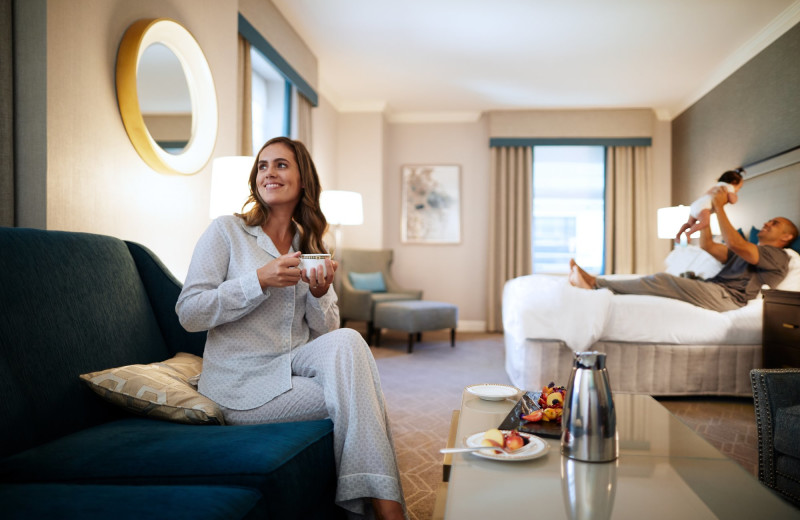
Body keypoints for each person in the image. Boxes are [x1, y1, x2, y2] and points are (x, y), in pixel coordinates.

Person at [176, 137, 406, 520]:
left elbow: (327, 334)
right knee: (360, 395)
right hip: (241, 384)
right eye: (263, 166)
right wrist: (258, 280)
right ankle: (387, 511)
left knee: (350, 343)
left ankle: (377, 510)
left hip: (293, 365)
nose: (269, 173)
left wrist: (319, 292)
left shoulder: (309, 243)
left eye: (281, 165)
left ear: (303, 180)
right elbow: (189, 313)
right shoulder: (226, 232)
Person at [569, 185, 798, 312]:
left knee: (664, 279)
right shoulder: (746, 252)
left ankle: (596, 283)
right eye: (768, 221)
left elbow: (735, 242)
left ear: (786, 236)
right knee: (667, 280)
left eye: (775, 223)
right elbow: (708, 245)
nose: (767, 223)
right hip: (714, 289)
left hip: (730, 299)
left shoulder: (779, 256)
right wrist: (705, 218)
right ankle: (596, 282)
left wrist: (719, 207)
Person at [676, 168, 744, 242]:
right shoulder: (729, 187)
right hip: (704, 206)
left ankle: (679, 234)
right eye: (739, 188)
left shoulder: (718, 185)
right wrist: (735, 196)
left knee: (689, 223)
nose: (738, 190)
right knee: (705, 223)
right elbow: (732, 201)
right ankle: (688, 234)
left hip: (696, 204)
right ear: (734, 182)